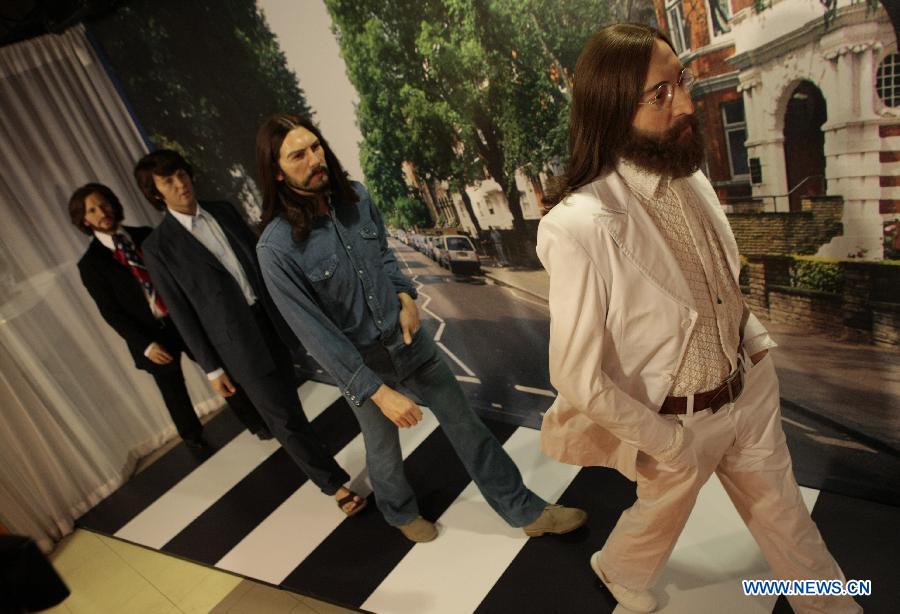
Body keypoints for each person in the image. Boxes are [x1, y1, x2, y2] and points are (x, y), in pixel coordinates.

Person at [536, 23, 860, 614]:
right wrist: (670, 443)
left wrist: (754, 357)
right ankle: (616, 568)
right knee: (661, 514)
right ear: (612, 110)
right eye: (660, 94)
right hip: (676, 420)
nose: (686, 102)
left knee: (783, 512)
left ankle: (832, 604)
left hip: (748, 389)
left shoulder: (690, 175)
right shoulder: (577, 225)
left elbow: (719, 286)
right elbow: (576, 377)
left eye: (679, 79)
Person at [253, 113, 587, 542]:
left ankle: (524, 509)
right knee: (383, 449)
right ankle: (398, 511)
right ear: (278, 172)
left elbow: (386, 257)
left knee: (468, 427)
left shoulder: (355, 197)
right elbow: (315, 335)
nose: (314, 159)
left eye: (315, 147)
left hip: (409, 341)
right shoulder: (276, 249)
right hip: (363, 365)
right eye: (298, 155)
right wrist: (377, 392)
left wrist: (406, 294)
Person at [136, 150, 365, 517]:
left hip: (271, 319)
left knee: (291, 404)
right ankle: (334, 485)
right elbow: (181, 313)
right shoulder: (158, 247)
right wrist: (212, 368)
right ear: (156, 193)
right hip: (235, 344)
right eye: (168, 181)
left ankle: (320, 462)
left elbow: (261, 260)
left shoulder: (223, 211)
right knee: (282, 420)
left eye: (181, 174)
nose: (180, 184)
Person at [70, 183, 206, 449]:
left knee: (216, 366)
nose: (102, 212)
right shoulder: (90, 264)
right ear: (84, 219)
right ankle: (194, 440)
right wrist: (145, 345)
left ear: (114, 204)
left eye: (104, 204)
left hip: (181, 320)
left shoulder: (145, 235)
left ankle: (255, 420)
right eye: (92, 210)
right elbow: (111, 312)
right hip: (150, 336)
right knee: (173, 391)